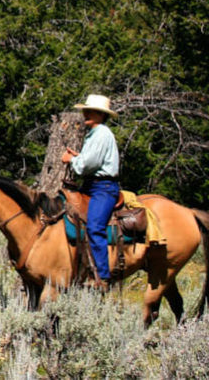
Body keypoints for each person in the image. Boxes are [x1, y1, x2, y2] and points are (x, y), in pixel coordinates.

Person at [62, 94, 120, 288]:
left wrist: (72, 160)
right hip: (93, 185)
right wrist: (79, 157)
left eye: (91, 111)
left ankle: (102, 277)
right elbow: (90, 160)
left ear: (101, 115)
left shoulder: (101, 133)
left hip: (103, 188)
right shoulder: (95, 134)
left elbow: (88, 165)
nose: (86, 113)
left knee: (94, 227)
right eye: (86, 110)